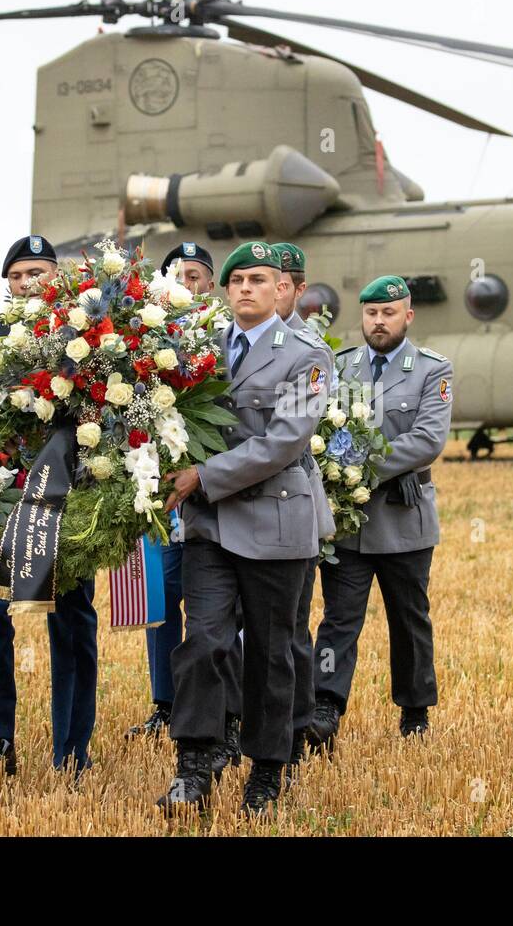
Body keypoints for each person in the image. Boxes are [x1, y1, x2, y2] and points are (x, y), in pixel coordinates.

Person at [158, 241, 331, 816]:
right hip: (210, 526)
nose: (246, 289)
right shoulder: (201, 345)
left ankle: (267, 767)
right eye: (236, 282)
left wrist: (201, 476)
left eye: (258, 279)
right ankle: (195, 763)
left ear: (278, 286)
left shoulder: (306, 354)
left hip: (275, 520)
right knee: (203, 641)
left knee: (271, 652)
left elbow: (284, 441)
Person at [308, 275, 453, 750]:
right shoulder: (341, 366)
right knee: (338, 620)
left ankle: (415, 711)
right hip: (349, 524)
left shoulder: (432, 370)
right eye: (371, 313)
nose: (378, 321)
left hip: (403, 517)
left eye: (388, 313)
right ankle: (324, 707)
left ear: (407, 317)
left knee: (409, 619)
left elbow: (426, 441)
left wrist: (354, 465)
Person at [0, 235, 99, 778]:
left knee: (73, 625)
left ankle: (73, 751)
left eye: (39, 273)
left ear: (59, 277)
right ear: (6, 281)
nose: (28, 283)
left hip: (65, 501)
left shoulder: (86, 338)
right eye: (19, 274)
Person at [124, 242, 244, 778]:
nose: (189, 284)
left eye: (198, 276)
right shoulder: (145, 340)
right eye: (180, 275)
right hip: (159, 496)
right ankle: (165, 703)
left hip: (213, 497)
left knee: (215, 614)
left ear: (211, 284)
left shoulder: (225, 340)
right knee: (159, 603)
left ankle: (228, 710)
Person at [270, 242, 334, 781]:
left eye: (287, 281)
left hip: (294, 498)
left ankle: (299, 722)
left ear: (297, 288)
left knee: (290, 626)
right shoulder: (236, 339)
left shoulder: (310, 346)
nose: (278, 289)